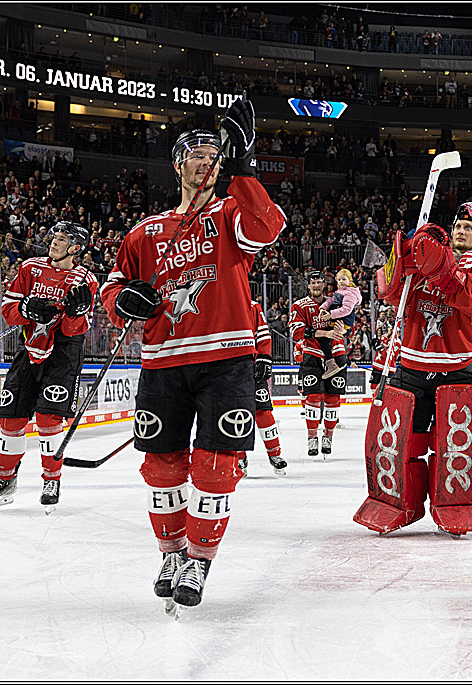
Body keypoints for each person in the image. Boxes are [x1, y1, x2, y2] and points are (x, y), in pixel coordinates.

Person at [101, 101, 286, 615]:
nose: (207, 161)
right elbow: (114, 289)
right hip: (162, 362)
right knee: (162, 466)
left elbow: (267, 227)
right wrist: (122, 302)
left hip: (227, 358)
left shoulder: (230, 214)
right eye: (197, 154)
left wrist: (245, 170)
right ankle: (171, 553)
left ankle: (200, 559)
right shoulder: (145, 231)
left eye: (214, 156)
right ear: (179, 164)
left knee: (216, 465)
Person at [353, 201, 472, 536]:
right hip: (411, 365)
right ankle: (399, 505)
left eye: (469, 227)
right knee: (404, 444)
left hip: (460, 370)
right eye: (458, 226)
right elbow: (391, 294)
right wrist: (404, 257)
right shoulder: (426, 255)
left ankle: (452, 506)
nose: (461, 231)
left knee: (455, 446)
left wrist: (440, 267)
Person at [0, 221, 99, 513]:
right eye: (55, 236)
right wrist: (25, 309)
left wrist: (75, 314)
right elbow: (8, 310)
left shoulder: (85, 280)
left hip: (64, 353)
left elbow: (76, 329)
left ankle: (51, 481)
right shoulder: (30, 268)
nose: (54, 242)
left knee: (48, 419)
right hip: (28, 348)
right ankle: (4, 483)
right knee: (11, 418)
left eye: (63, 239)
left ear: (76, 248)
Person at [289, 271, 348, 460]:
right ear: (308, 286)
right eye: (313, 282)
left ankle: (328, 437)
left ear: (324, 285)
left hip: (337, 352)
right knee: (313, 396)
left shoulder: (336, 302)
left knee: (333, 397)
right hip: (311, 355)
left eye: (319, 282)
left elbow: (349, 324)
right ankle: (312, 437)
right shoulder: (299, 305)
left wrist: (343, 328)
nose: (316, 285)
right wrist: (324, 334)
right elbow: (296, 332)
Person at [243, 298, 286, 476]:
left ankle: (275, 454)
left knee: (263, 412)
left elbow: (263, 334)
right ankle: (238, 456)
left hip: (251, 367)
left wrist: (264, 358)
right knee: (235, 414)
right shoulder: (217, 305)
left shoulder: (252, 306)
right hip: (226, 370)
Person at [317, 267, 362, 380]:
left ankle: (332, 364)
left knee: (324, 338)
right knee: (325, 339)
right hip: (337, 319)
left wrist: (330, 314)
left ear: (350, 280)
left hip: (343, 321)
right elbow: (331, 301)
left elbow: (346, 309)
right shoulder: (340, 291)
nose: (341, 282)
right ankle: (332, 363)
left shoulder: (350, 293)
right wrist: (323, 308)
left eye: (343, 279)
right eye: (339, 279)